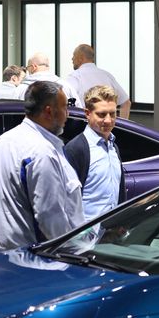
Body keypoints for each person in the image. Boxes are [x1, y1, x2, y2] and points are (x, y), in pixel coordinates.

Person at [0, 80, 84, 255]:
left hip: (3, 253)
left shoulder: (4, 141)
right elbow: (49, 215)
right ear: (49, 111)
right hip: (35, 258)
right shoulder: (41, 152)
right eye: (64, 108)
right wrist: (72, 253)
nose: (67, 114)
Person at [64, 85, 124, 221]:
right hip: (85, 238)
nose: (108, 120)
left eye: (113, 114)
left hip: (111, 235)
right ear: (87, 113)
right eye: (101, 114)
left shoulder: (113, 147)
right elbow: (67, 201)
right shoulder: (76, 149)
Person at [65, 44, 132, 119]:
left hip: (84, 124)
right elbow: (126, 103)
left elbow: (63, 98)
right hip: (107, 124)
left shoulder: (75, 76)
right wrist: (122, 126)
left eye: (74, 55)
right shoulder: (107, 76)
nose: (72, 59)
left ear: (81, 58)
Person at [18, 52, 82, 107]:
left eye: (28, 68)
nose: (27, 71)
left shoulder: (22, 88)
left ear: (33, 67)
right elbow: (78, 109)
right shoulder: (65, 86)